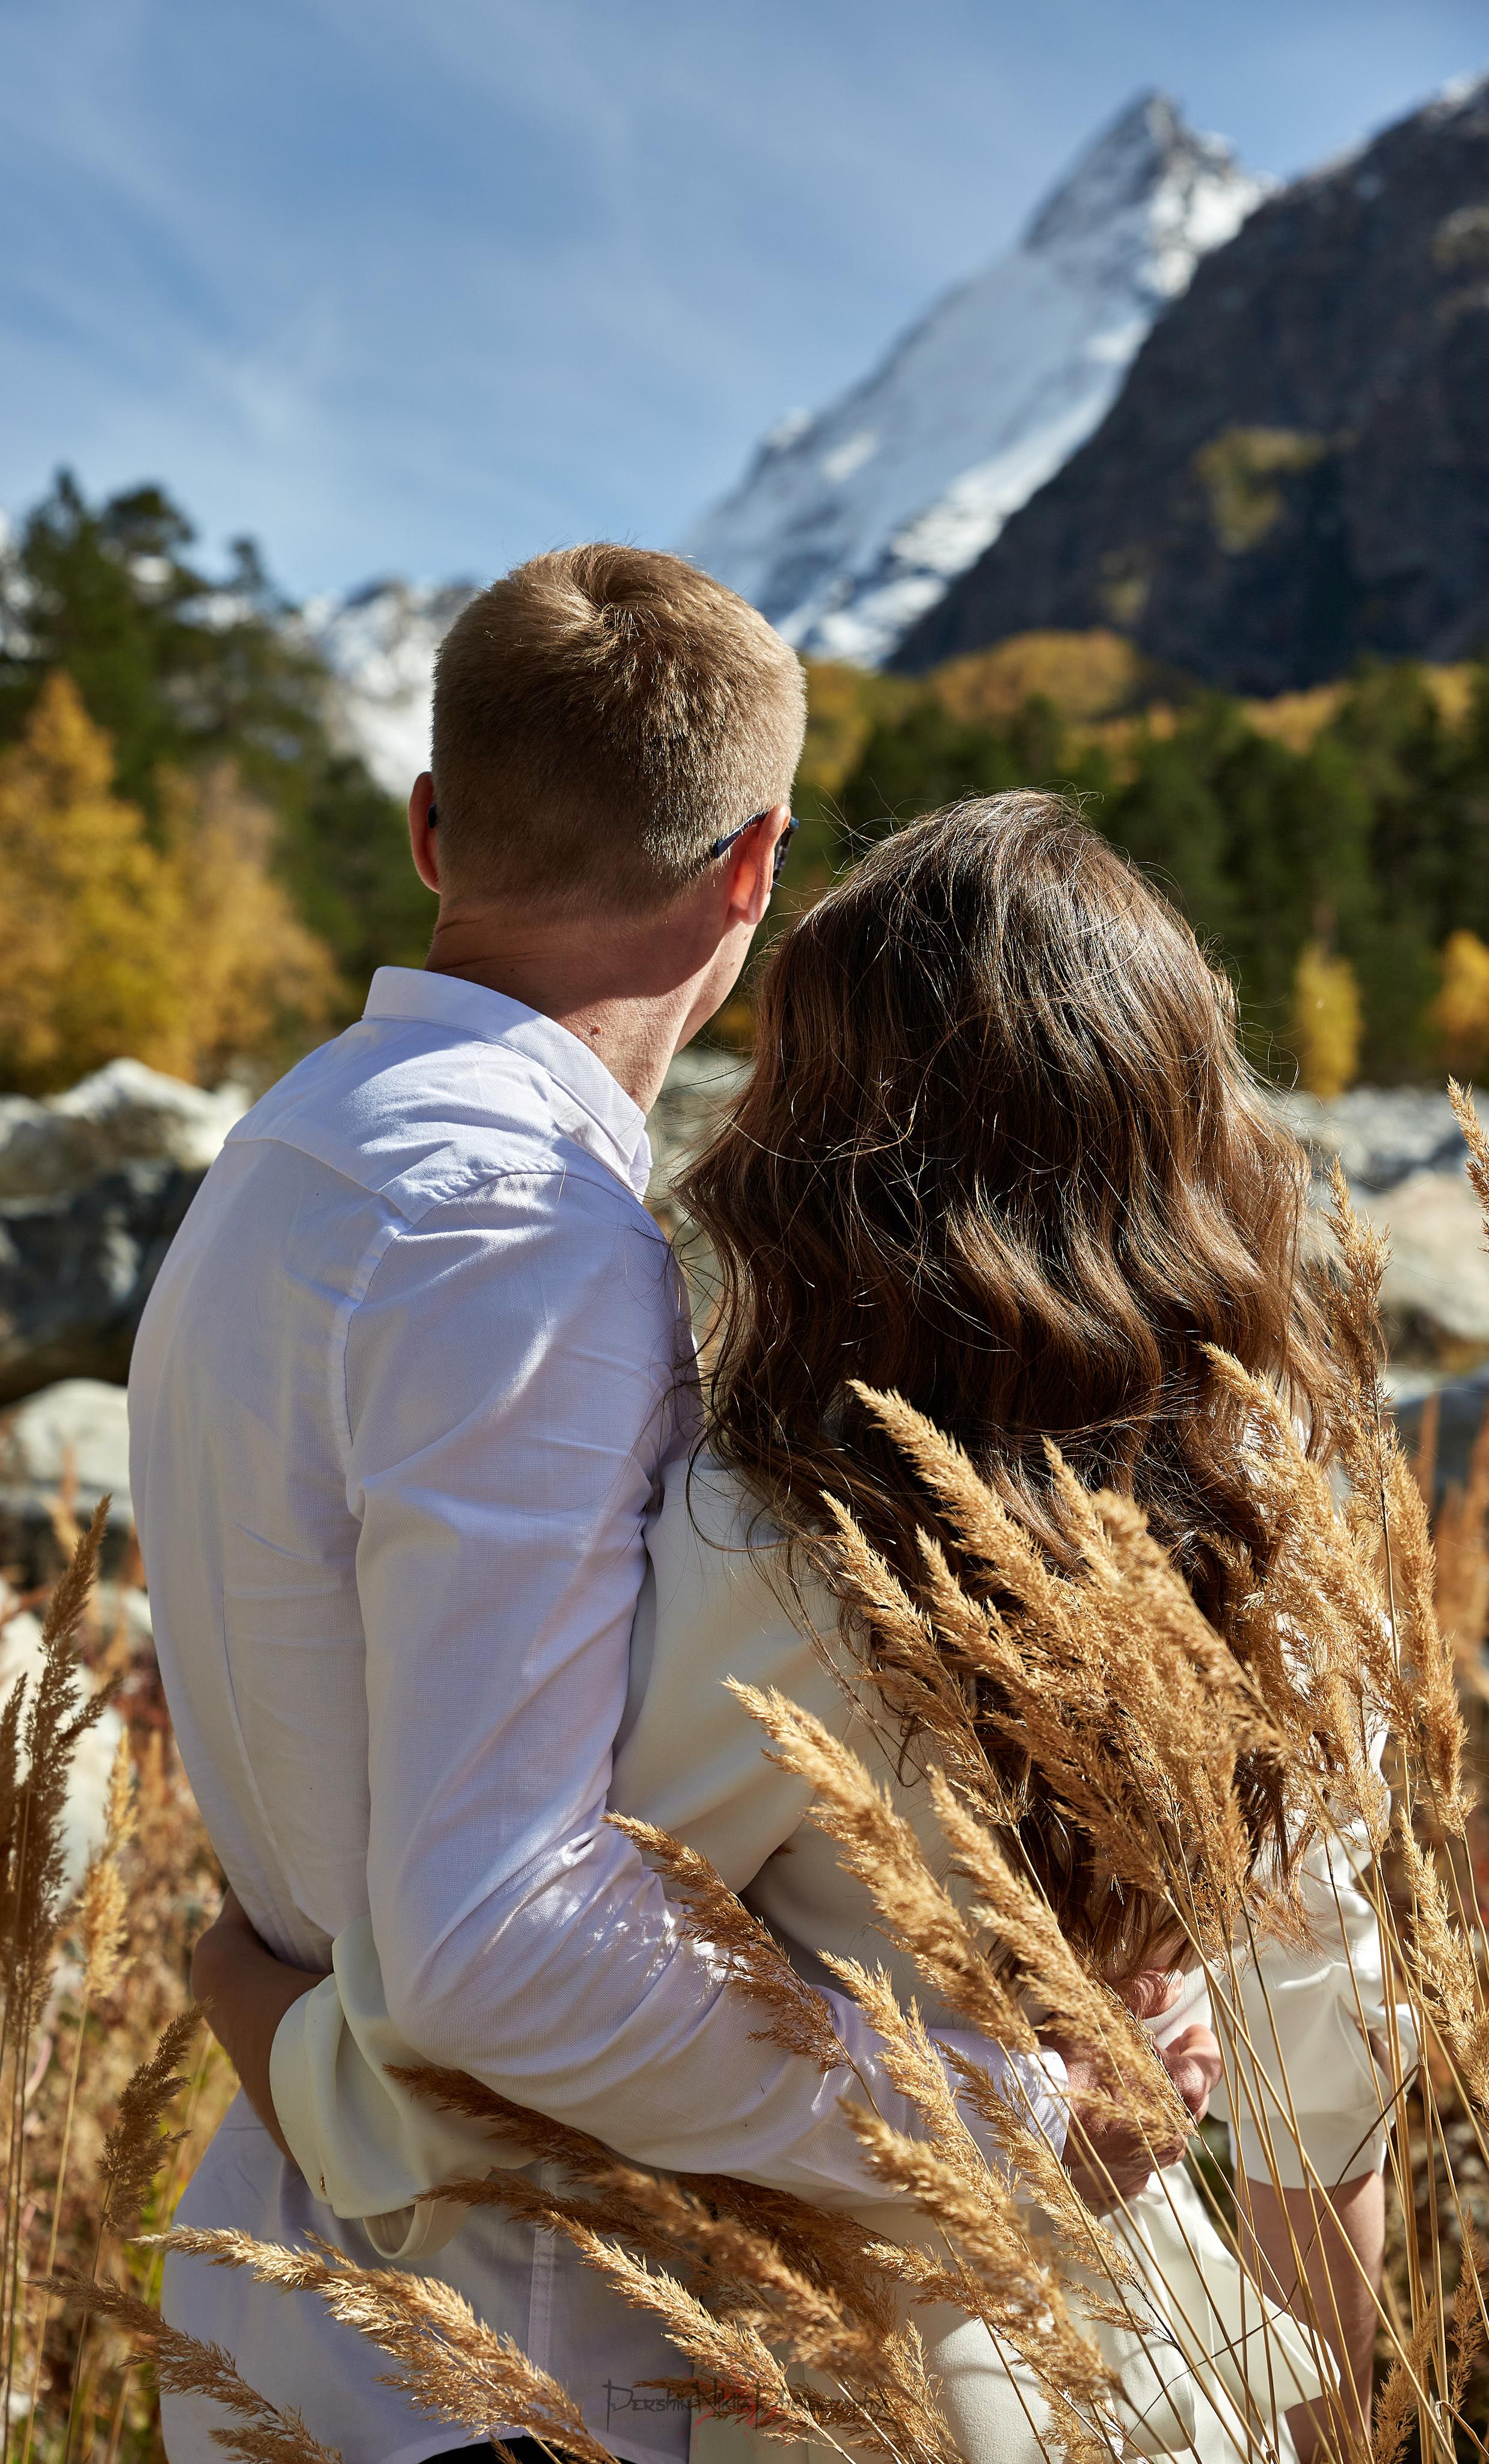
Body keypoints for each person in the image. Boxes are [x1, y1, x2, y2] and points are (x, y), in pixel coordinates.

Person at [194, 798, 1406, 2462]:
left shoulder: (784, 1540)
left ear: (823, 1136)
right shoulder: (1286, 1512)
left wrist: (267, 2019)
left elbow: (516, 1997)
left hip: (905, 2396)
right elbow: (1322, 2079)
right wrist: (1342, 2429)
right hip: (1166, 2389)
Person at [132, 563, 1115, 2464]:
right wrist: (1004, 2120)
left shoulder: (289, 1151)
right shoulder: (525, 1236)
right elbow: (494, 1929)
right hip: (508, 2362)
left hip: (311, 2291)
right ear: (753, 870)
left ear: (431, 829)